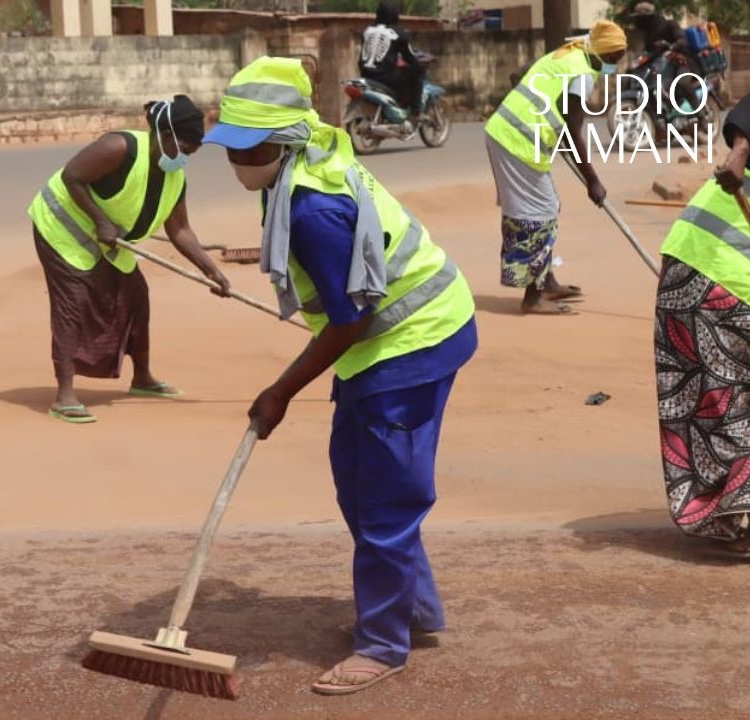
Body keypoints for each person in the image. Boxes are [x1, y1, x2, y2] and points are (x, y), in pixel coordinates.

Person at [204, 56, 478, 695]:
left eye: (248, 148)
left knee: (385, 495)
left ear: (283, 142)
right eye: (231, 147)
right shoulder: (300, 164)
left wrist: (280, 392)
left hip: (412, 340)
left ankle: (384, 643)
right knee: (356, 481)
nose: (234, 160)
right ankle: (412, 607)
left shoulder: (310, 209)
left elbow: (351, 319)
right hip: (378, 343)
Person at [28, 95, 231, 424]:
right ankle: (64, 395)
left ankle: (143, 377)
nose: (188, 156)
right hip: (62, 229)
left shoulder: (174, 176)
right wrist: (99, 220)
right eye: (185, 147)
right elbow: (72, 176)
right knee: (73, 302)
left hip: (109, 241)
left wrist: (211, 271)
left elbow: (179, 229)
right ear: (164, 135)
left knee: (135, 296)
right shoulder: (119, 148)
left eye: (194, 151)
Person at [655, 89, 750, 559]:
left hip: (690, 268)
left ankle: (748, 509)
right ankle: (743, 513)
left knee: (721, 400)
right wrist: (739, 154)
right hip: (723, 283)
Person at [485, 20, 628, 315]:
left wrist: (545, 118)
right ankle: (533, 296)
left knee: (547, 204)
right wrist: (593, 181)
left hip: (510, 134)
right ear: (603, 54)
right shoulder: (582, 75)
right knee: (539, 212)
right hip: (517, 142)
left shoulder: (566, 54)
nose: (614, 66)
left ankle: (546, 282)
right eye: (614, 60)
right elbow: (575, 132)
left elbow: (517, 76)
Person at [360, 0, 424, 118]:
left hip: (365, 74)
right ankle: (416, 111)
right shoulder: (397, 33)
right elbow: (409, 56)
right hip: (385, 76)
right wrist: (419, 65)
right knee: (417, 74)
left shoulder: (367, 31)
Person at [630, 2, 694, 112]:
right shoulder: (648, 34)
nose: (639, 22)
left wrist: (672, 47)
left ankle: (700, 113)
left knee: (680, 84)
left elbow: (683, 40)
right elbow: (650, 53)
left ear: (649, 17)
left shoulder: (670, 25)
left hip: (681, 61)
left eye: (641, 18)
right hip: (662, 66)